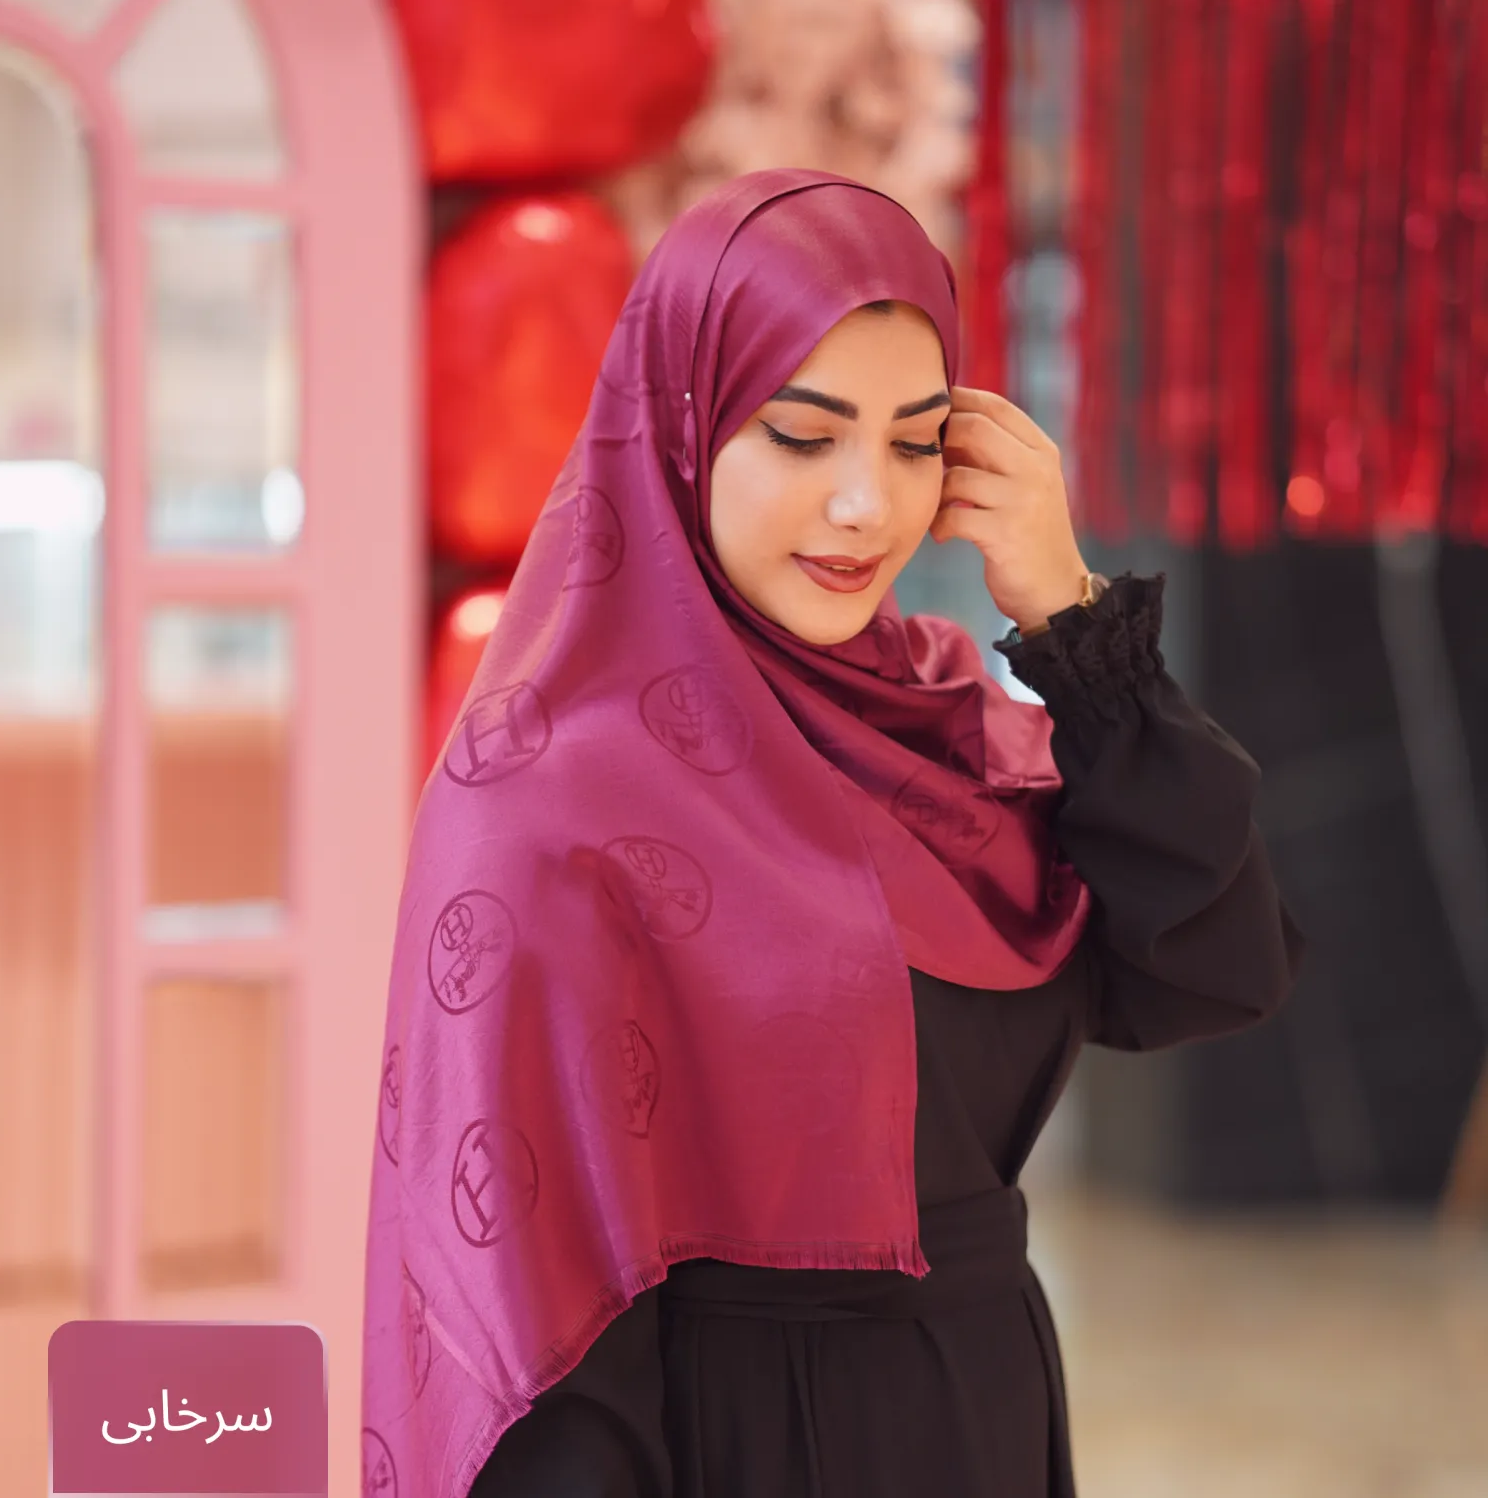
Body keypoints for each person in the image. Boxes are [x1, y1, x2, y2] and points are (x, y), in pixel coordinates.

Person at [361, 168, 1305, 1498]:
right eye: (803, 438)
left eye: (916, 444)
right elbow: (530, 1327)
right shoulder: (547, 809)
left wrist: (1073, 619)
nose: (869, 505)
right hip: (733, 1449)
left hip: (981, 1417)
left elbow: (1213, 969)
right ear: (681, 431)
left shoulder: (952, 734)